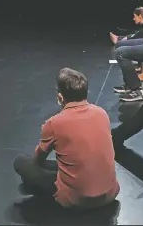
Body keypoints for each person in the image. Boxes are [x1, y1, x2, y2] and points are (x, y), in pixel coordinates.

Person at [13, 68, 120, 209]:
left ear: (60, 97)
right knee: (63, 164)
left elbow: (38, 160)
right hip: (110, 194)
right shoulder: (102, 113)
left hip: (78, 200)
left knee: (21, 162)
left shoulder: (54, 123)